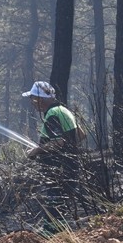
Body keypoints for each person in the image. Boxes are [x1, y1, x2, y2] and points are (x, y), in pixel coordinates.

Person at [22, 81, 83, 232]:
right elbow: (81, 134)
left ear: (40, 99)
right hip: (70, 166)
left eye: (33, 98)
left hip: (58, 169)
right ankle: (58, 234)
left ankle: (50, 236)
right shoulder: (64, 111)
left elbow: (58, 142)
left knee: (54, 202)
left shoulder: (52, 114)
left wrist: (36, 150)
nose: (33, 103)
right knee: (61, 204)